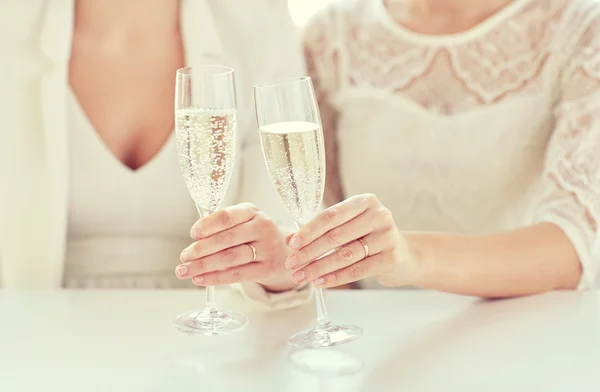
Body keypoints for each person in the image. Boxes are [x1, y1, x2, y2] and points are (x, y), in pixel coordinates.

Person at [0, 0, 310, 308]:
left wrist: (281, 261)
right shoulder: (9, 27)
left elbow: (287, 228)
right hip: (37, 332)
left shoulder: (259, 23)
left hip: (219, 331)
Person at [282, 0, 600, 296]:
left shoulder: (580, 27)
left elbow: (574, 246)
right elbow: (322, 221)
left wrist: (410, 256)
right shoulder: (332, 33)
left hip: (519, 330)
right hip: (379, 341)